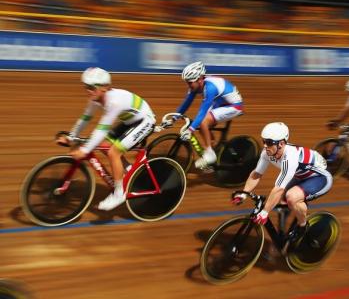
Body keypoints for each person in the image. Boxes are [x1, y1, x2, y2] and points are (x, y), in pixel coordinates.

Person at [56, 67, 156, 211]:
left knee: (113, 152)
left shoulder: (114, 102)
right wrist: (71, 137)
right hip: (130, 122)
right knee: (104, 145)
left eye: (91, 87)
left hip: (145, 121)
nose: (88, 91)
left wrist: (85, 150)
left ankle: (119, 194)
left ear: (104, 88)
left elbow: (101, 129)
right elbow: (84, 119)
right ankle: (128, 170)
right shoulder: (95, 99)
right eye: (86, 87)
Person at [232, 122, 333, 246]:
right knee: (281, 202)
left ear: (281, 143)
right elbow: (256, 174)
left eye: (269, 142)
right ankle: (283, 235)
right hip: (300, 175)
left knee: (291, 197)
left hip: (320, 177)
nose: (265, 146)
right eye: (263, 141)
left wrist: (264, 212)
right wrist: (244, 193)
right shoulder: (267, 153)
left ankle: (302, 227)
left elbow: (279, 188)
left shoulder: (290, 157)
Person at [172, 61, 243, 171]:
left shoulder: (210, 88)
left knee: (203, 121)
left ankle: (210, 155)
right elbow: (186, 103)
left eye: (190, 83)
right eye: (187, 82)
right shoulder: (197, 86)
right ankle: (212, 146)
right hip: (220, 101)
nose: (188, 85)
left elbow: (202, 112)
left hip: (234, 106)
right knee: (203, 129)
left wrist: (190, 130)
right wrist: (173, 118)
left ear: (200, 79)